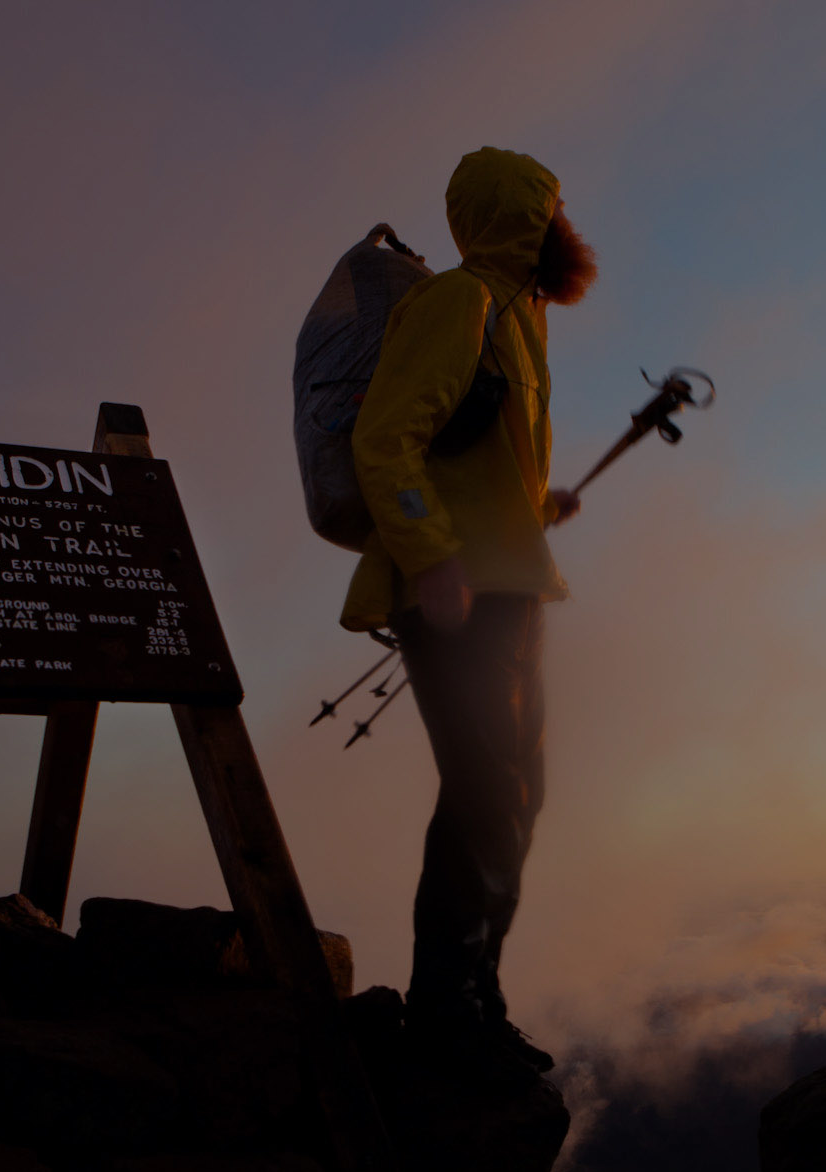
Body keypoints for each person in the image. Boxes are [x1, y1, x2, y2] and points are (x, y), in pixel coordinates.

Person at [340, 147, 598, 1069]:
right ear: (520, 217)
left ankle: (478, 1001)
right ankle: (446, 1015)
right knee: (488, 793)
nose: (567, 226)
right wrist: (432, 555)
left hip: (511, 591)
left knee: (517, 798)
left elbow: (468, 455)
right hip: (455, 596)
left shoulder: (522, 320)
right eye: (553, 209)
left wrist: (537, 506)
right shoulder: (459, 302)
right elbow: (385, 439)